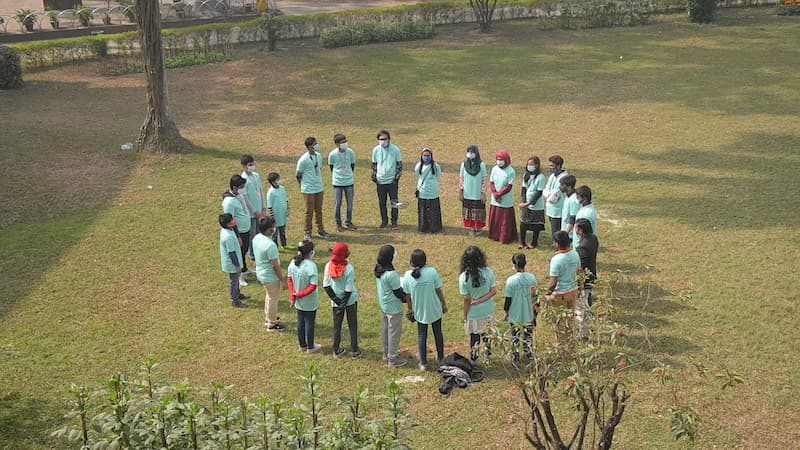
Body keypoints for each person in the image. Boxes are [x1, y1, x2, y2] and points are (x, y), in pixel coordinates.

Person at [402, 249, 448, 371]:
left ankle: (423, 363)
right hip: (434, 309)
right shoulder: (432, 272)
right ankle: (441, 359)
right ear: (425, 261)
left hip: (419, 311)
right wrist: (444, 304)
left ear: (411, 261)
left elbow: (408, 295)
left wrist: (410, 309)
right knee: (438, 334)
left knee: (422, 335)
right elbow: (438, 290)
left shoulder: (407, 276)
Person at [458, 246, 497, 366]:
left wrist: (465, 315)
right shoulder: (488, 272)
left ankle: (474, 360)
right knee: (487, 335)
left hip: (473, 313)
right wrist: (481, 300)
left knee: (474, 337)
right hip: (488, 310)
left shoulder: (463, 277)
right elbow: (493, 291)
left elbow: (466, 300)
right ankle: (488, 356)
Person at [323, 242, 361, 358]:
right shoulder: (349, 268)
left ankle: (336, 349)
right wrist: (343, 305)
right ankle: (354, 349)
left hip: (336, 302)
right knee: (352, 325)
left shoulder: (328, 265)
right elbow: (348, 290)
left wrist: (338, 303)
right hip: (350, 301)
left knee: (337, 326)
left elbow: (326, 286)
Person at [374, 245, 410, 368]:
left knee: (385, 330)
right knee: (394, 332)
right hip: (394, 307)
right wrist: (408, 299)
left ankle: (386, 353)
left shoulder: (378, 268)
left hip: (384, 305)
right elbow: (398, 292)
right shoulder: (391, 274)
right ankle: (393, 359)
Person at [545, 231, 581, 344]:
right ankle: (571, 342)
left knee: (560, 323)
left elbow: (553, 283)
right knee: (570, 320)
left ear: (557, 243)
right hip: (573, 291)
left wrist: (547, 294)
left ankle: (562, 346)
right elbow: (580, 273)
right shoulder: (575, 254)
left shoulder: (556, 259)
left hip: (560, 295)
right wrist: (579, 288)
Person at [287, 240, 323, 353]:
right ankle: (310, 347)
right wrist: (299, 294)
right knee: (309, 323)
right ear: (311, 252)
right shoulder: (311, 266)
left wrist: (294, 295)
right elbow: (312, 286)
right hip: (309, 300)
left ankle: (302, 345)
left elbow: (289, 280)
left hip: (298, 300)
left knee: (300, 321)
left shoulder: (293, 262)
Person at [253, 215, 286, 332]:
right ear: (270, 229)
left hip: (260, 272)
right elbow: (275, 266)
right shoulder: (270, 246)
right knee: (273, 298)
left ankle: (268, 317)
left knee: (269, 296)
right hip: (270, 276)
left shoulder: (257, 238)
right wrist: (282, 280)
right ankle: (272, 323)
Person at [503, 253, 538, 363]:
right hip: (528, 313)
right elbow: (536, 296)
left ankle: (516, 356)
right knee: (528, 336)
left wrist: (506, 312)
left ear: (514, 265)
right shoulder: (532, 278)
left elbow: (508, 299)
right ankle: (529, 353)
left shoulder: (511, 281)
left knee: (515, 336)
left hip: (515, 314)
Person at [296, 137, 330, 241]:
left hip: (319, 187)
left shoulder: (319, 156)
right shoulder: (303, 159)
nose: (317, 145)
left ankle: (320, 229)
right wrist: (304, 185)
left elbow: (318, 169)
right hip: (308, 189)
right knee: (309, 211)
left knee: (319, 210)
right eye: (315, 144)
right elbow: (298, 175)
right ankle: (307, 232)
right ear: (309, 146)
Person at [222, 175, 253, 287]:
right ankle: (239, 277)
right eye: (241, 187)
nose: (242, 189)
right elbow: (231, 220)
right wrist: (237, 236)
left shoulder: (238, 195)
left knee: (244, 251)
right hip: (239, 232)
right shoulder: (229, 202)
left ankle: (244, 269)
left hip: (245, 229)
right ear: (234, 187)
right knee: (239, 253)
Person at [371, 130, 403, 230]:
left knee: (394, 202)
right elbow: (374, 164)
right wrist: (375, 177)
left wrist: (396, 178)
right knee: (382, 202)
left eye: (385, 139)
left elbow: (399, 165)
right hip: (380, 181)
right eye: (381, 139)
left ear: (389, 139)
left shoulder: (395, 149)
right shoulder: (376, 150)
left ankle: (394, 222)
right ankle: (384, 221)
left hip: (392, 181)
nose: (383, 141)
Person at [328, 133, 358, 232]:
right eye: (342, 142)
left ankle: (348, 222)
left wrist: (348, 174)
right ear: (337, 144)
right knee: (338, 204)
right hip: (338, 183)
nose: (345, 143)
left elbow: (352, 165)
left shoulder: (350, 152)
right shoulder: (332, 154)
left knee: (350, 203)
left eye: (345, 141)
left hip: (349, 181)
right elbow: (331, 166)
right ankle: (338, 224)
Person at [218, 213, 248, 308]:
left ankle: (237, 294)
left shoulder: (227, 230)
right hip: (232, 264)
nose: (233, 220)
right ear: (228, 224)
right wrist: (237, 265)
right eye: (231, 220)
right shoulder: (228, 237)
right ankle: (235, 300)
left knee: (236, 280)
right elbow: (231, 253)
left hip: (234, 261)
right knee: (234, 281)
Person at [575, 219, 598, 339]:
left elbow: (581, 269)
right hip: (592, 275)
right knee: (588, 302)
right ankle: (589, 326)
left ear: (581, 230)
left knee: (581, 307)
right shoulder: (593, 238)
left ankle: (582, 333)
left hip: (585, 281)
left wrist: (579, 286)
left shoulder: (582, 247)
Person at [488, 150, 518, 244]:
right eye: (498, 159)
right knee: (495, 218)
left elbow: (509, 186)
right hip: (495, 198)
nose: (499, 161)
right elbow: (492, 182)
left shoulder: (511, 171)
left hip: (505, 199)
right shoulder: (494, 169)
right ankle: (494, 235)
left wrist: (499, 194)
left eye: (501, 159)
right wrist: (495, 193)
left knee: (505, 220)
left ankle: (504, 237)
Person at [241, 154, 268, 257]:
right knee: (252, 234)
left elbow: (261, 191)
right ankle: (252, 254)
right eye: (250, 164)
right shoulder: (243, 179)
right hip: (251, 213)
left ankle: (258, 251)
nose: (252, 166)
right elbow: (246, 199)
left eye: (253, 164)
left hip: (260, 210)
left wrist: (264, 207)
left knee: (260, 232)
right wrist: (255, 212)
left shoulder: (256, 176)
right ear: (244, 166)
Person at [459, 144, 488, 236]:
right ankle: (472, 228)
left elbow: (484, 179)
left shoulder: (481, 165)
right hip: (467, 193)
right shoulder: (464, 165)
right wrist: (461, 191)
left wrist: (483, 193)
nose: (470, 154)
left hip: (477, 193)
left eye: (472, 152)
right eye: (469, 152)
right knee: (469, 211)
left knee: (478, 211)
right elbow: (461, 178)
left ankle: (478, 228)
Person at [518, 156, 546, 249]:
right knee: (523, 223)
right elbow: (523, 189)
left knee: (536, 225)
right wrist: (523, 201)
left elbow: (538, 193)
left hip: (536, 205)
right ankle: (522, 242)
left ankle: (534, 243)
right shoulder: (526, 175)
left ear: (537, 165)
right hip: (526, 204)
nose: (529, 166)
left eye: (532, 164)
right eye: (528, 164)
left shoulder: (541, 177)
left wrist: (528, 204)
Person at [414, 147, 443, 233]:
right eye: (425, 155)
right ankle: (423, 227)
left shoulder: (436, 166)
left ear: (431, 156)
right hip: (422, 192)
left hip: (433, 192)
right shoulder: (418, 166)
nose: (426, 157)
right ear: (422, 156)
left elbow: (438, 176)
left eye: (428, 155)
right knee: (423, 211)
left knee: (434, 211)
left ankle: (434, 228)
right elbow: (418, 176)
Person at [543, 155, 568, 235]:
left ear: (558, 166)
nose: (550, 168)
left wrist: (548, 194)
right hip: (551, 209)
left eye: (552, 166)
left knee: (557, 233)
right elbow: (545, 190)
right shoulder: (552, 176)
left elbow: (554, 197)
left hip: (558, 211)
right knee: (554, 232)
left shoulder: (564, 178)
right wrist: (548, 193)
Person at [266, 172, 289, 248]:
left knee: (283, 231)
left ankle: (284, 244)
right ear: (272, 182)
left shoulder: (282, 188)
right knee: (275, 232)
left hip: (283, 214)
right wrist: (272, 217)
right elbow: (269, 207)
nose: (279, 181)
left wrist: (287, 209)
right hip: (276, 216)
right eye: (277, 180)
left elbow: (286, 199)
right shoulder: (270, 193)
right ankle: (275, 246)